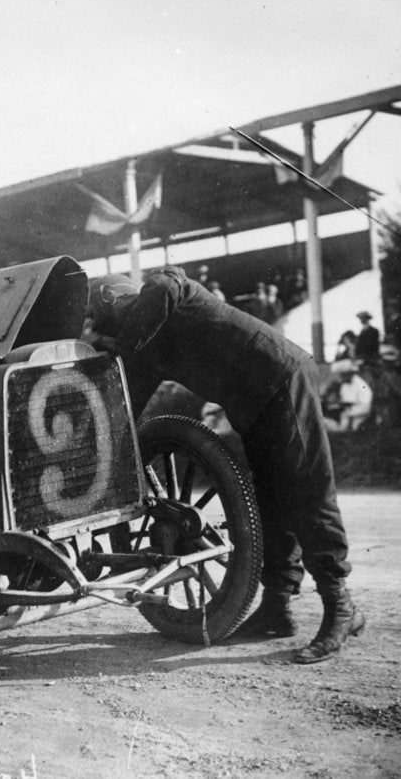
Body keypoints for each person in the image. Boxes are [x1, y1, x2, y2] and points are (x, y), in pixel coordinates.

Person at [83, 266, 365, 664]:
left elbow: (163, 289)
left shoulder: (165, 291)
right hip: (254, 403)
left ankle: (342, 608)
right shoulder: (147, 343)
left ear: (112, 301)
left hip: (282, 378)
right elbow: (126, 405)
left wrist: (112, 342)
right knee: (271, 501)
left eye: (99, 316)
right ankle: (277, 607)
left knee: (307, 492)